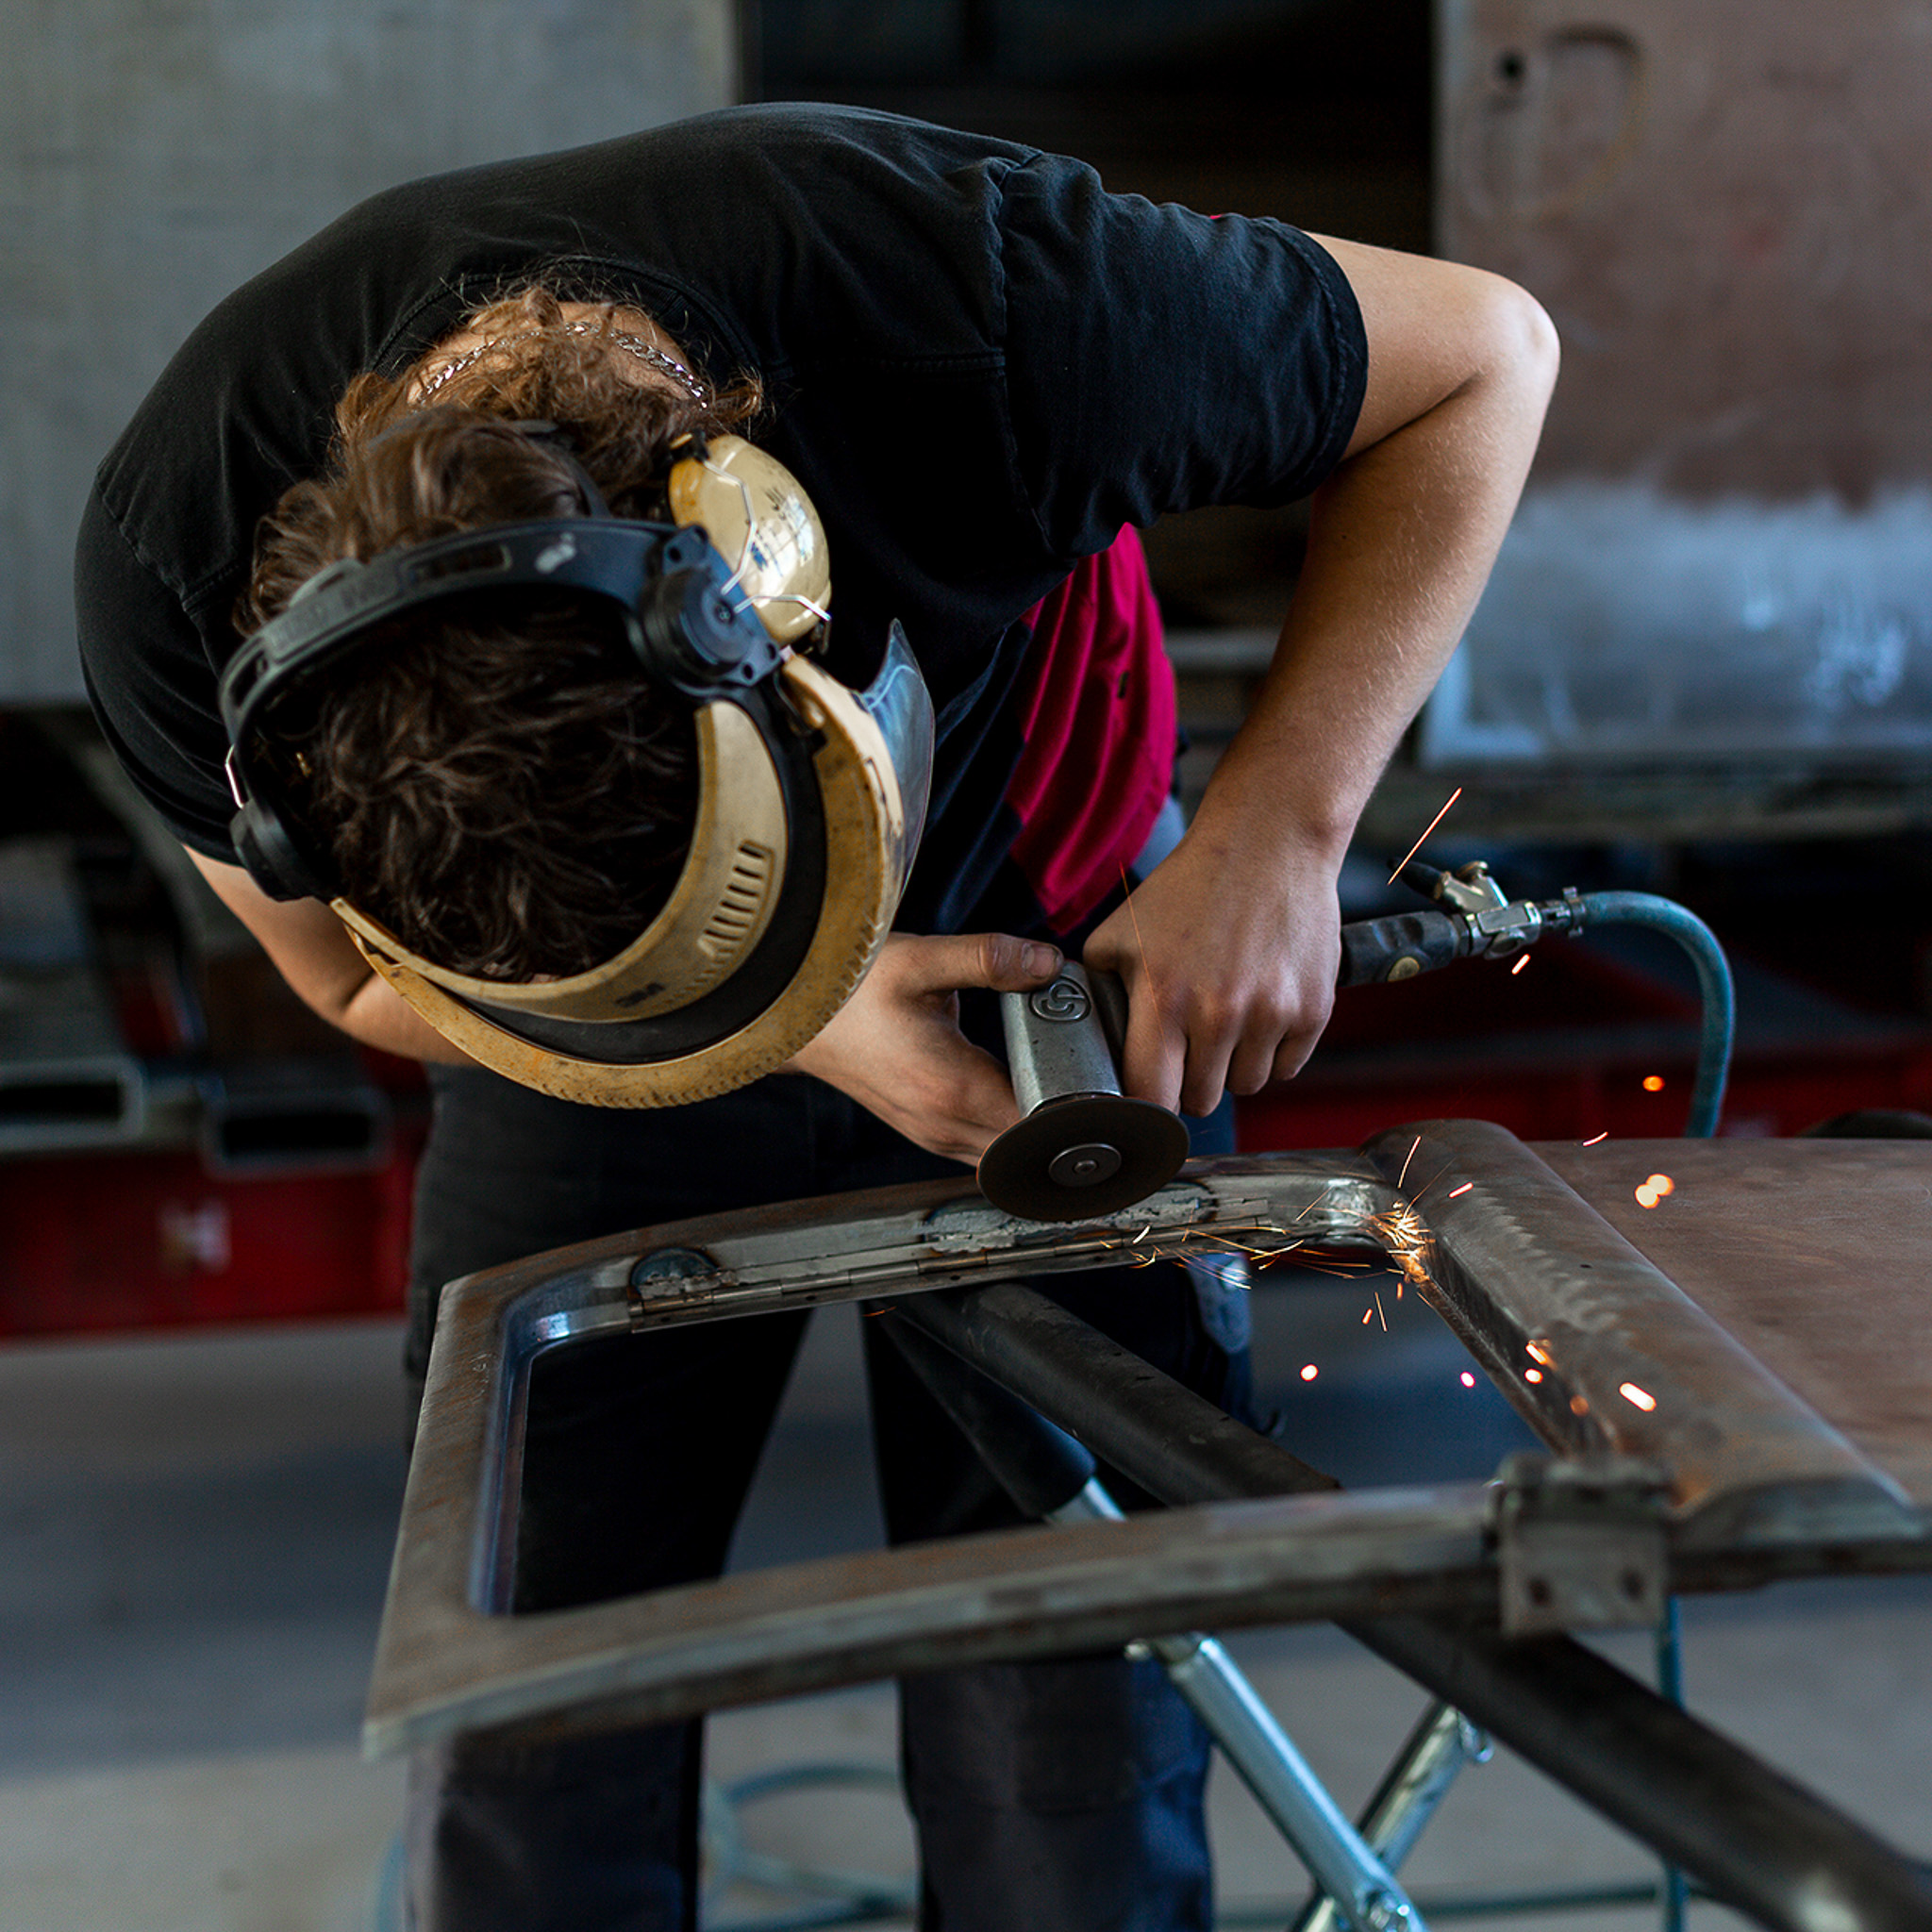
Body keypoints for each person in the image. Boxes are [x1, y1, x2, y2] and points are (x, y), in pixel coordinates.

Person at [76, 104, 1556, 1932]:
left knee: (1068, 1692)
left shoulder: (985, 303)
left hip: (1053, 945)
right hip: (574, 1059)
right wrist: (793, 1016)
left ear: (768, 578)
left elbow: (1483, 357)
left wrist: (1282, 828)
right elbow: (339, 979)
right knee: (533, 1690)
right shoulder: (175, 580)